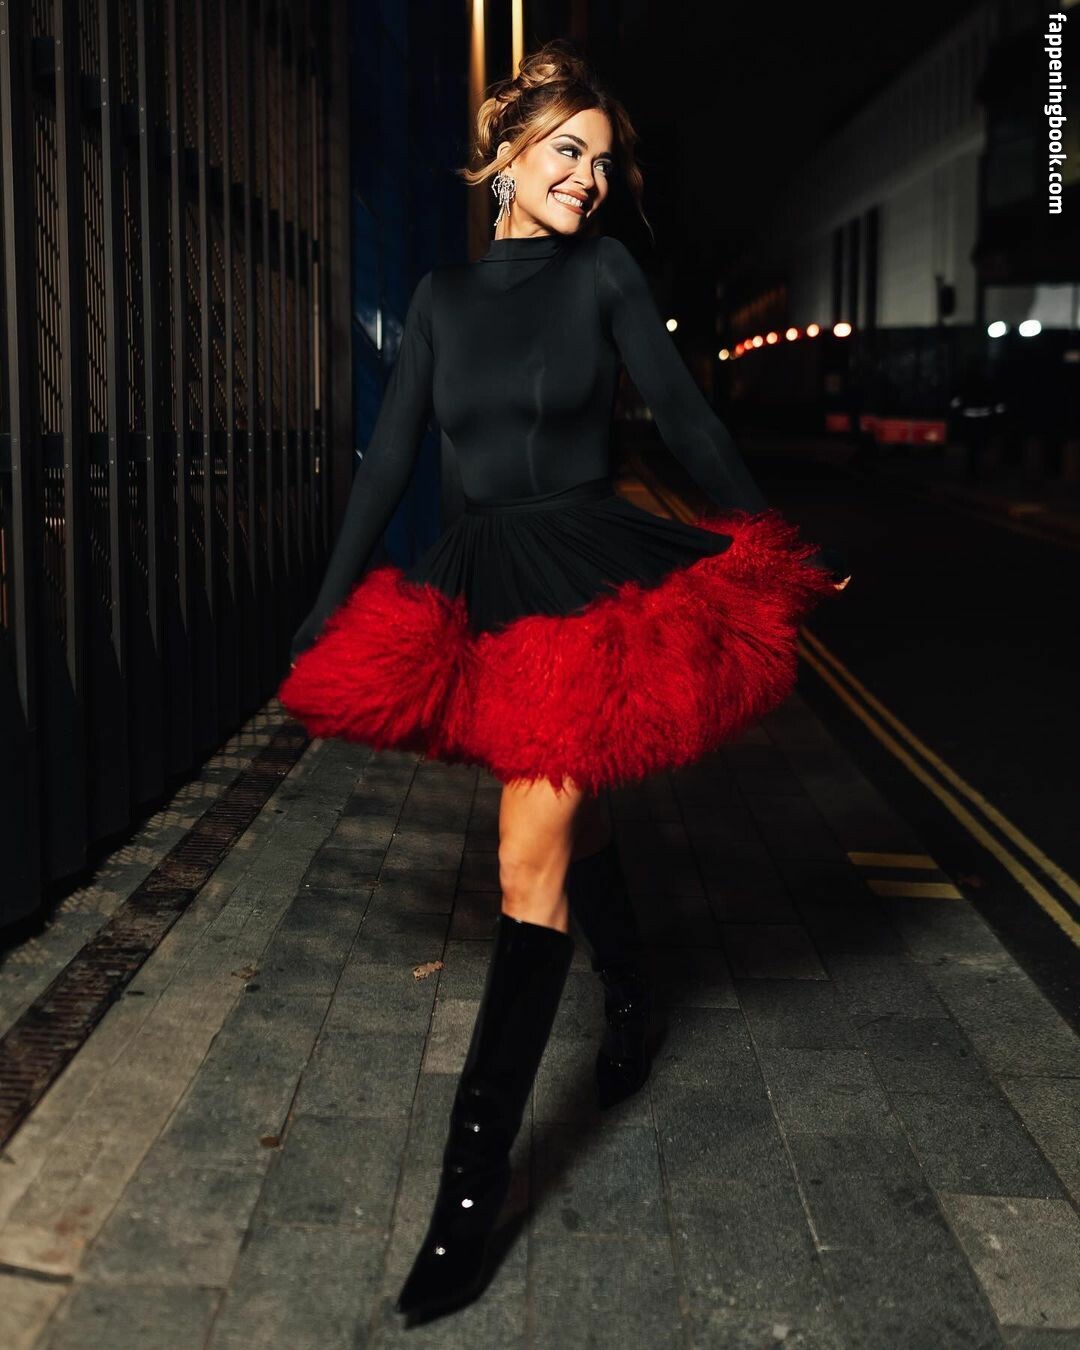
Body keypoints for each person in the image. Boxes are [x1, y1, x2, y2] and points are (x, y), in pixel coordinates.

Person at [278, 39, 851, 1326]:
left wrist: (772, 541)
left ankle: (465, 1205)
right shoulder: (438, 297)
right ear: (505, 157)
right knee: (568, 815)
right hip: (488, 584)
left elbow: (688, 420)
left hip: (591, 590)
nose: (588, 178)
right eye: (566, 152)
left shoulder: (602, 273)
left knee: (523, 858)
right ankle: (633, 995)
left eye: (600, 160)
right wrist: (325, 607)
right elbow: (389, 461)